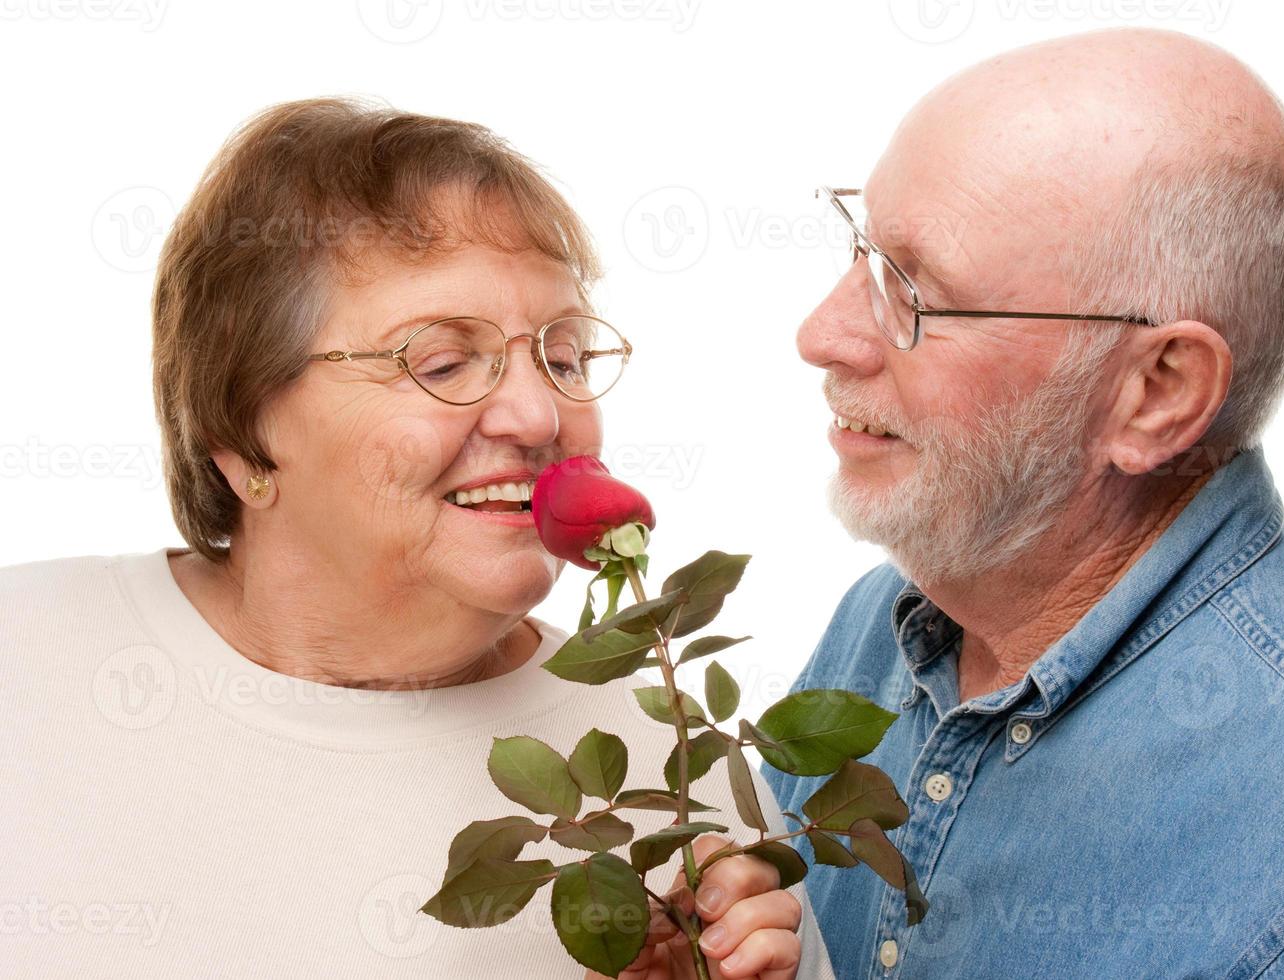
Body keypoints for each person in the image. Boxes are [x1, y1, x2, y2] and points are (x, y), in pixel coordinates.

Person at [0, 97, 828, 980]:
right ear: (243, 437)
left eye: (565, 356)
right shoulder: (27, 655)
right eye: (439, 362)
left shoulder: (687, 789)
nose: (539, 411)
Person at [762, 29, 1284, 979]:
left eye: (913, 292)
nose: (822, 334)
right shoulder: (877, 628)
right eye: (863, 248)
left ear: (1158, 393)